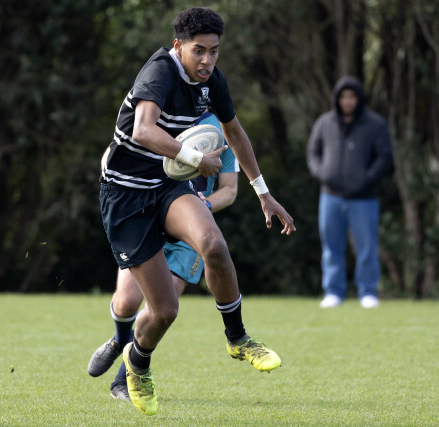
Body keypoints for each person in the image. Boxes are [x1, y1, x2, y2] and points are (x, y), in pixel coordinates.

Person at [98, 7, 295, 415]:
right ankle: (136, 363)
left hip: (167, 185)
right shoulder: (159, 72)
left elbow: (235, 132)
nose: (207, 60)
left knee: (213, 244)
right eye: (199, 51)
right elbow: (143, 130)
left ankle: (237, 338)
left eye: (214, 51)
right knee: (164, 310)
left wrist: (263, 193)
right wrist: (196, 159)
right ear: (179, 46)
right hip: (126, 195)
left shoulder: (212, 82)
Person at [89, 111, 239, 401]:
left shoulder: (220, 127)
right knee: (126, 302)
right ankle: (121, 337)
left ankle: (123, 380)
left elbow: (229, 191)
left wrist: (205, 205)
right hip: (144, 214)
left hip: (187, 227)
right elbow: (112, 155)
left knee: (161, 308)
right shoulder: (157, 111)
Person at [306, 76, 393, 309]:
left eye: (352, 96)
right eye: (343, 97)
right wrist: (322, 173)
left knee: (367, 247)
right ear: (337, 99)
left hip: (364, 198)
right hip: (330, 196)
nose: (347, 101)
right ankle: (333, 291)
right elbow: (313, 153)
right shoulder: (324, 123)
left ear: (359, 99)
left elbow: (384, 156)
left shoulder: (375, 124)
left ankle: (368, 291)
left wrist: (367, 179)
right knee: (331, 246)